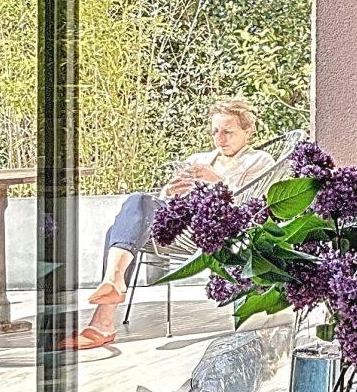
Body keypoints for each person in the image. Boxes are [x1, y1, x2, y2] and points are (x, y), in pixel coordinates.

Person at [63, 98, 275, 350]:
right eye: (215, 131)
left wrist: (217, 180)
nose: (220, 138)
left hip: (213, 229)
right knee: (138, 201)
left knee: (117, 233)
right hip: (178, 225)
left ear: (247, 131)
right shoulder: (199, 159)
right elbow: (167, 201)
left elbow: (251, 208)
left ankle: (104, 318)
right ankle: (113, 283)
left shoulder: (260, 161)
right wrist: (170, 191)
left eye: (227, 131)